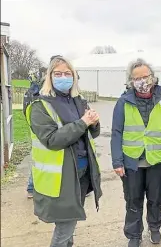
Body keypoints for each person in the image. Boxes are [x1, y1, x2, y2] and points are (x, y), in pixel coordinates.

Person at [25, 56, 102, 246]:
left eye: (68, 73)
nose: (63, 77)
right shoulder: (39, 106)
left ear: (74, 77)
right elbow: (53, 140)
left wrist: (94, 122)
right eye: (58, 73)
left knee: (70, 224)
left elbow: (92, 133)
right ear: (49, 76)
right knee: (65, 228)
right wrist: (83, 122)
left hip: (82, 172)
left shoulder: (79, 101)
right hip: (62, 177)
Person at [111, 58, 161, 247]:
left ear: (153, 77)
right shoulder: (123, 102)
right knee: (133, 200)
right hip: (132, 162)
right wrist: (117, 161)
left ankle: (154, 227)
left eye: (145, 76)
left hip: (157, 161)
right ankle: (134, 234)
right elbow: (116, 133)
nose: (142, 81)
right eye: (137, 78)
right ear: (131, 81)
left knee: (156, 199)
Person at [26, 55, 63, 199]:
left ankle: (31, 187)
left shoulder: (45, 79)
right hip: (43, 122)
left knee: (40, 159)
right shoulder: (46, 82)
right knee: (41, 158)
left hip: (45, 123)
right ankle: (31, 186)